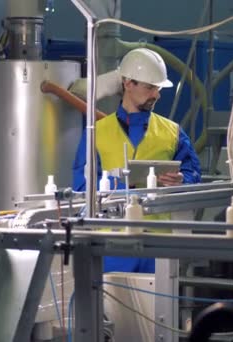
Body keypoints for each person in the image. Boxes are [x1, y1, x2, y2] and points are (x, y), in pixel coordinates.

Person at [71, 48, 202, 273]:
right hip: (111, 244)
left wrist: (182, 180)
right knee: (109, 307)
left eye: (158, 89)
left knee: (159, 308)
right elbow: (82, 186)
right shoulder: (96, 132)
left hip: (158, 244)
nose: (156, 95)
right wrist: (122, 187)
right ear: (128, 83)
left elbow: (193, 173)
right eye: (150, 87)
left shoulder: (173, 132)